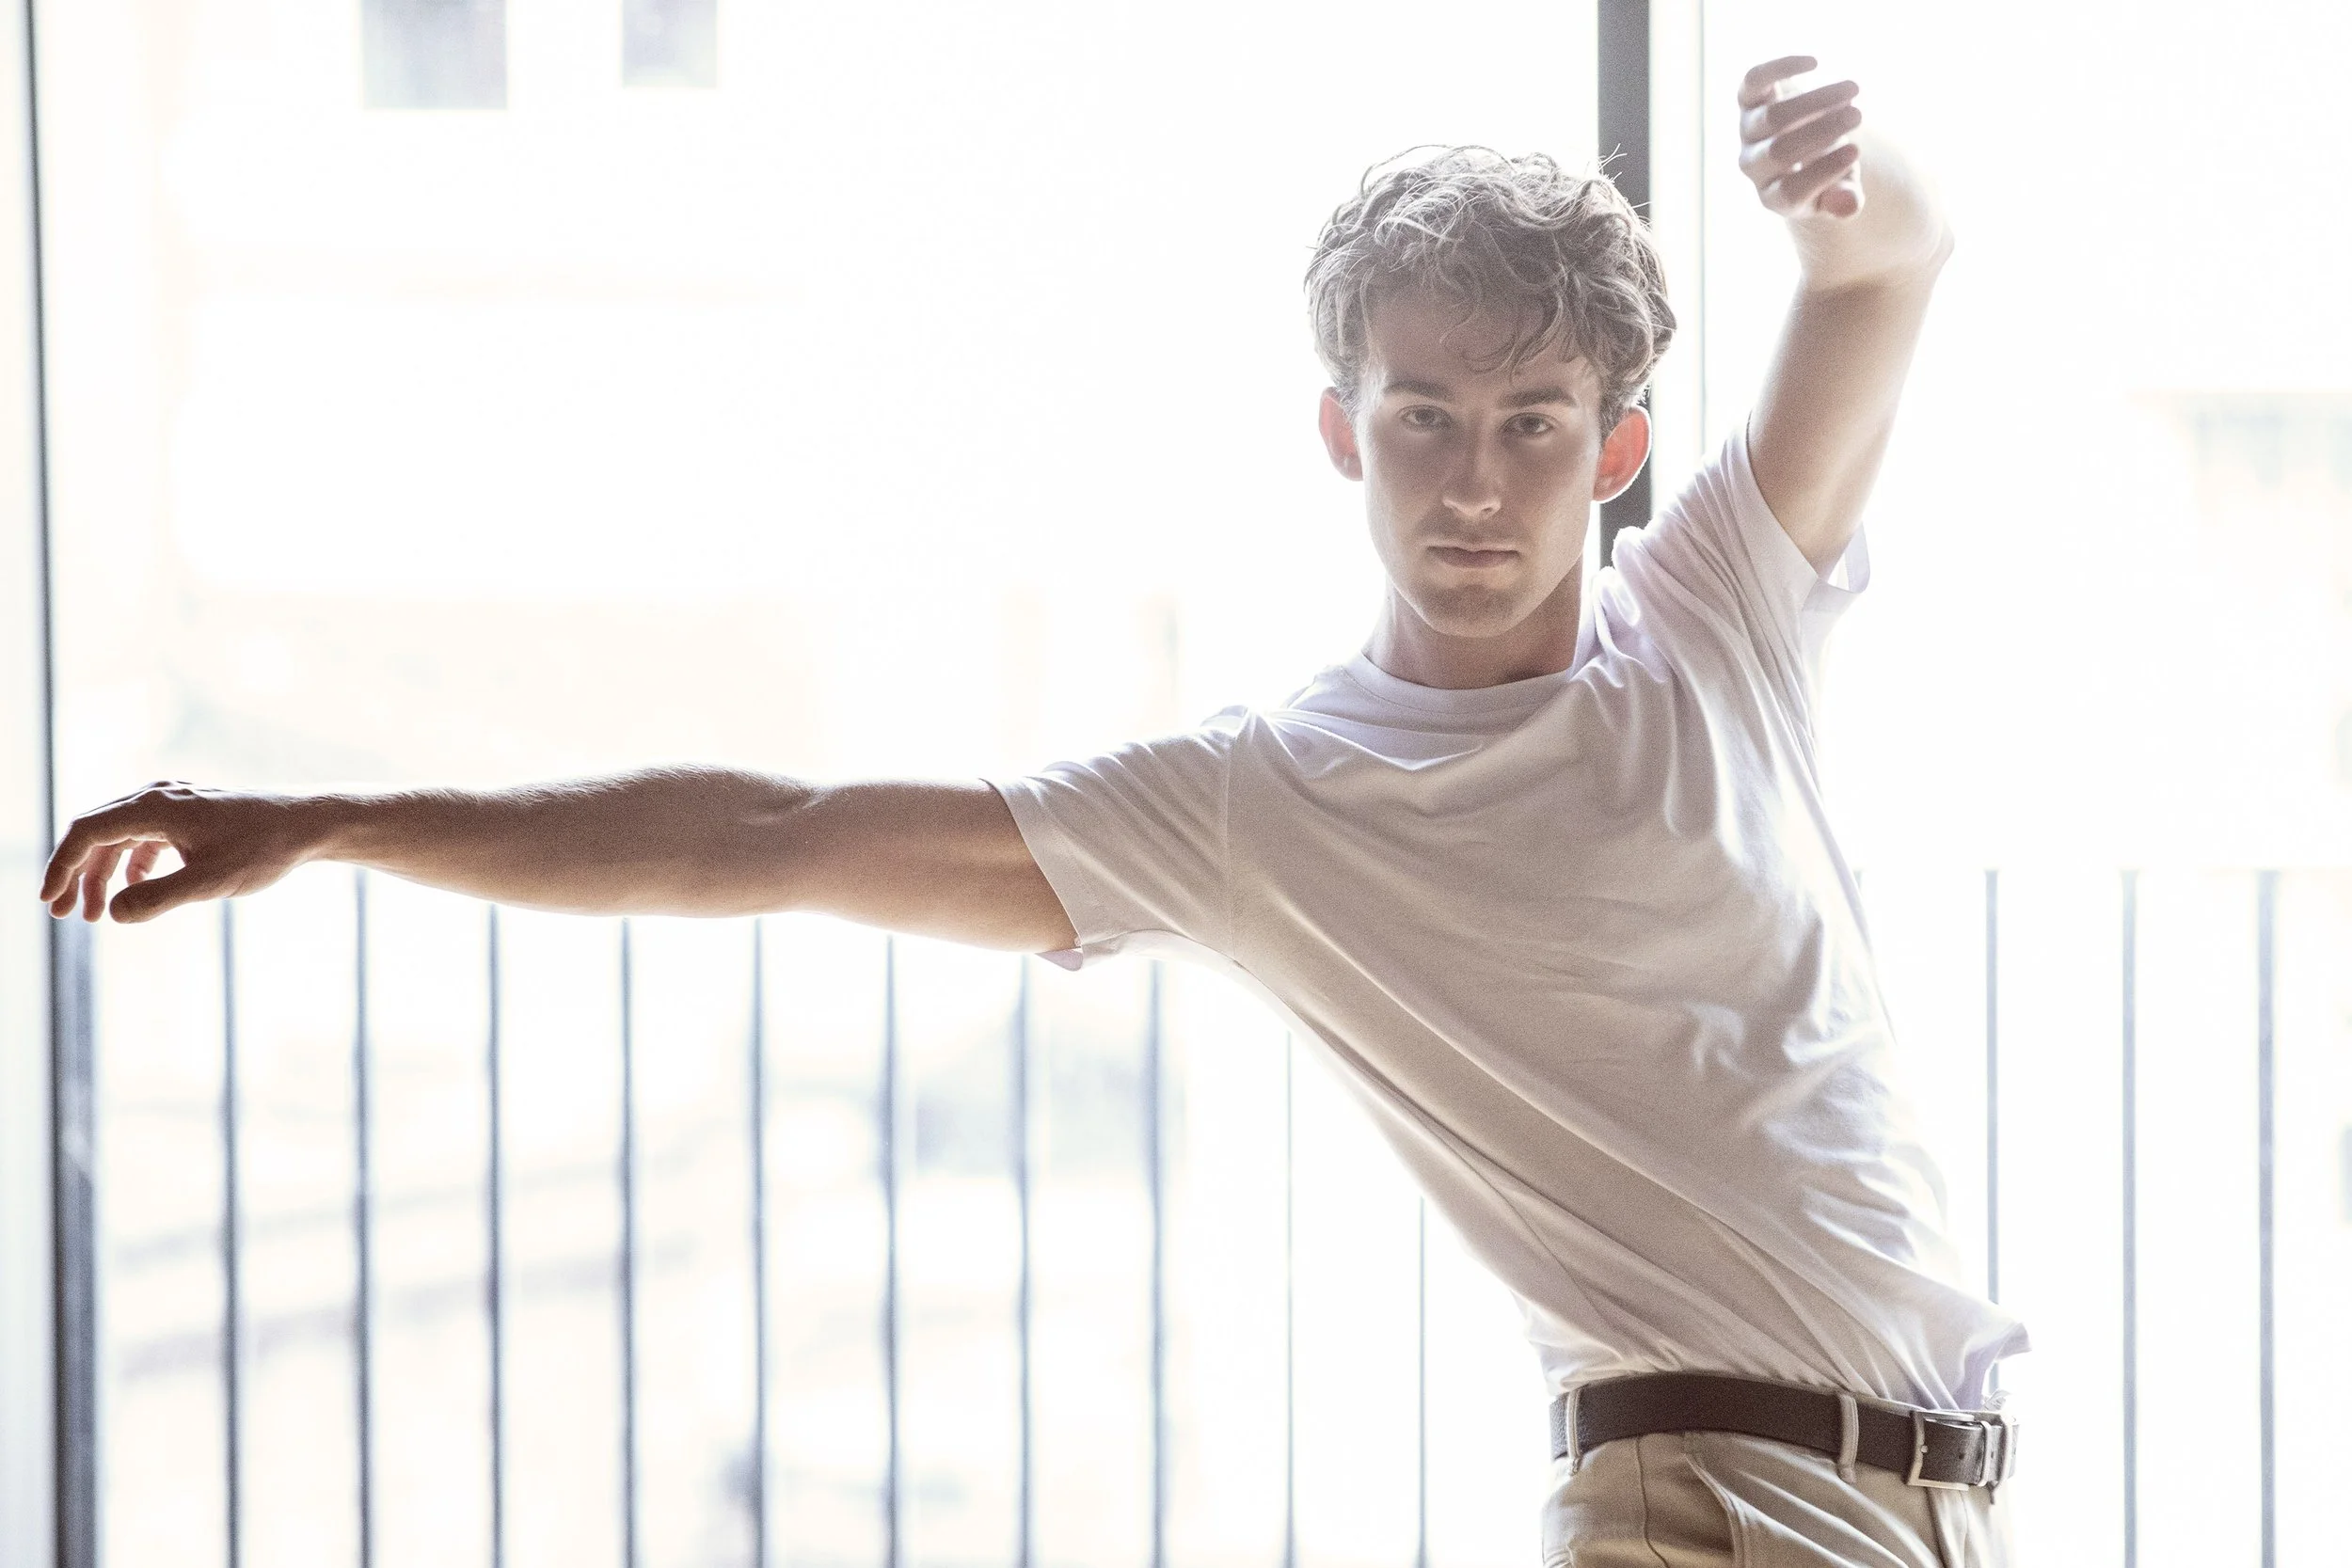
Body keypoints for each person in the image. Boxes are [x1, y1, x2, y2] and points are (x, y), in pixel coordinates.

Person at [42, 55, 2025, 1567]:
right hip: (1715, 1499)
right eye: (1420, 417)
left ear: (1614, 447)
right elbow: (780, 832)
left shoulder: (1714, 628)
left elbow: (1886, 263)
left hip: (1939, 1495)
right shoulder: (1269, 803)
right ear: (1342, 431)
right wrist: (321, 817)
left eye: (1527, 428)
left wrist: (1847, 165)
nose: (1474, 485)